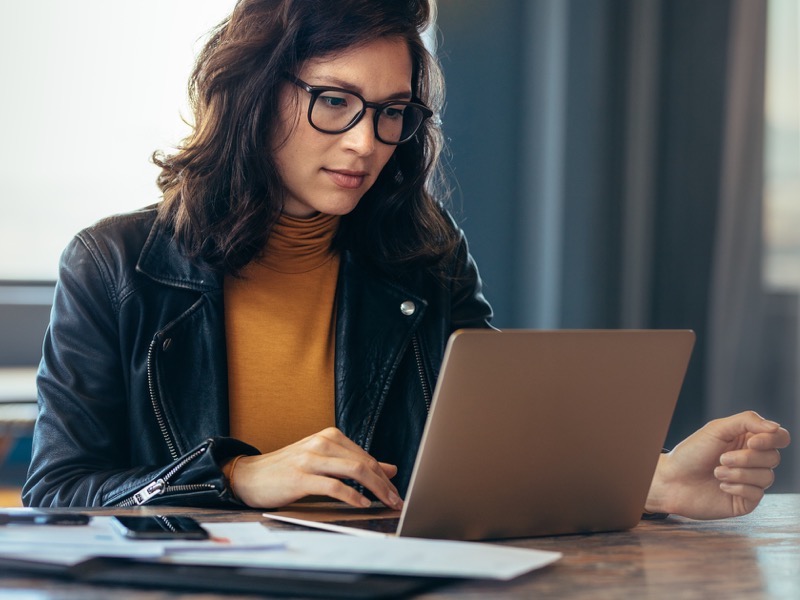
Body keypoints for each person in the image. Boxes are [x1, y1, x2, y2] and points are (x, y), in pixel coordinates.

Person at [23, 0, 789, 521]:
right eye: (335, 101)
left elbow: (493, 453)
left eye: (392, 112)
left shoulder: (423, 253)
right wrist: (234, 479)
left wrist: (650, 480)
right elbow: (59, 493)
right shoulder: (116, 265)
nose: (365, 142)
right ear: (253, 92)